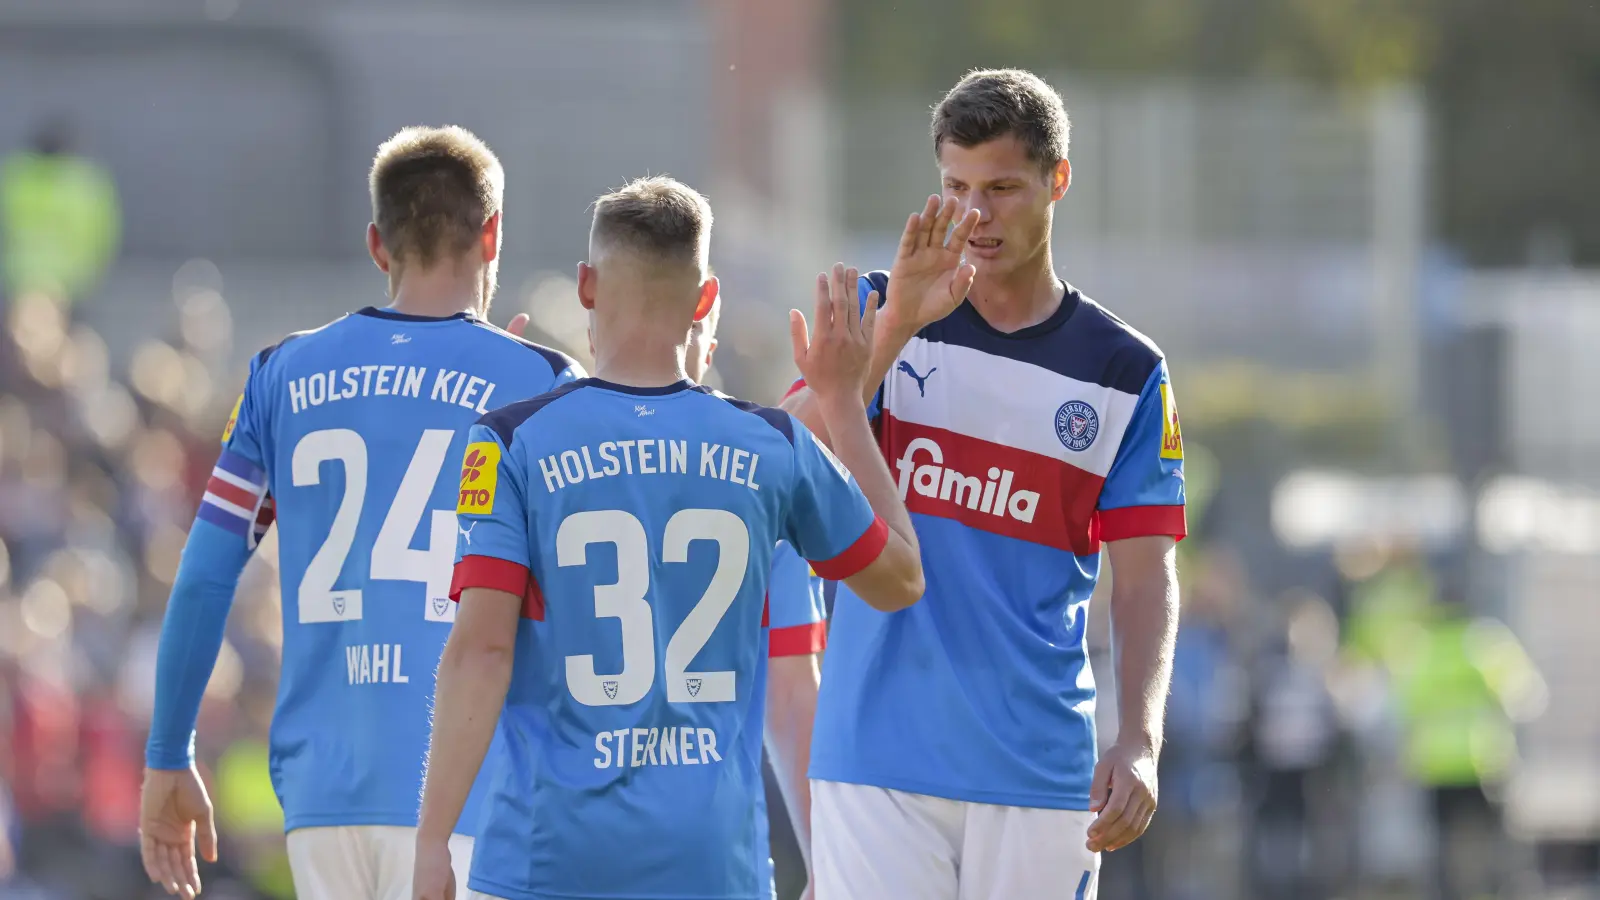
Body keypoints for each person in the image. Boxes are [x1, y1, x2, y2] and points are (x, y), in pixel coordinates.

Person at [413, 176, 923, 900]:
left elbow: (483, 647)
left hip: (545, 863)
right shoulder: (771, 446)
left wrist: (434, 842)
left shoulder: (511, 441)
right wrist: (842, 399)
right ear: (706, 299)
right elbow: (901, 577)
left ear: (587, 286)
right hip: (712, 867)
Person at [138, 125, 584, 900]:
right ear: (492, 235)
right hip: (475, 791)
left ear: (378, 245)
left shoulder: (281, 374)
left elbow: (206, 573)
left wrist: (168, 752)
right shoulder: (541, 382)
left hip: (324, 799)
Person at [782, 68, 1188, 899]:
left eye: (1002, 188)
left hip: (1039, 769)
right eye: (956, 187)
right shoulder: (876, 309)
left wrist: (1139, 739)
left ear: (1057, 181)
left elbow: (1146, 576)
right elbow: (788, 459)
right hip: (874, 758)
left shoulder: (1126, 370)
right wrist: (898, 323)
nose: (975, 214)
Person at [680, 295, 828, 899]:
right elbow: (791, 693)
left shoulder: (538, 449)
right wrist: (830, 859)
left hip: (558, 857)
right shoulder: (759, 473)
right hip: (716, 862)